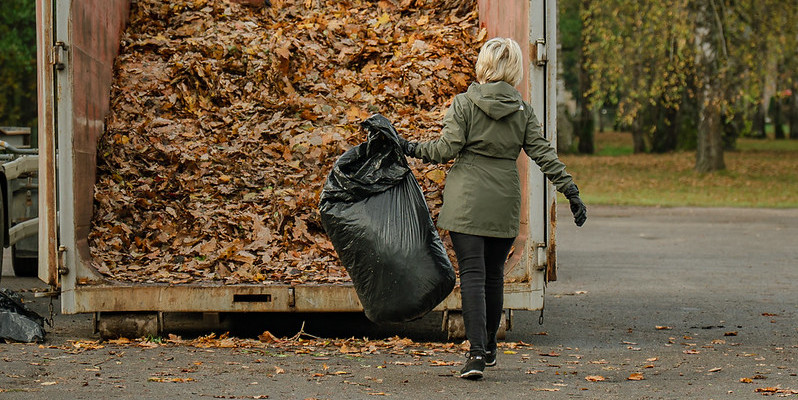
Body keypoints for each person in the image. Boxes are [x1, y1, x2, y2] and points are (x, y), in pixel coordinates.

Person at [398, 37, 587, 380]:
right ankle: (489, 346)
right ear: (514, 69)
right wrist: (570, 190)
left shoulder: (464, 104)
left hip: (467, 201)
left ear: (483, 65)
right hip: (503, 203)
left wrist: (406, 145)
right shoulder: (522, 111)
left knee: (473, 276)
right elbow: (544, 154)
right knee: (494, 276)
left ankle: (474, 355)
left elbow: (444, 150)